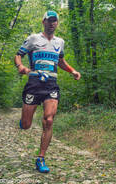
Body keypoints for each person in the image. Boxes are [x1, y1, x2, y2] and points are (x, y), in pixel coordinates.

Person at [14, 10, 81, 173]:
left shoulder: (60, 42)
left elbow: (60, 61)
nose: (52, 23)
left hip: (51, 84)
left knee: (49, 120)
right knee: (27, 125)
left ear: (57, 23)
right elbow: (18, 55)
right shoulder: (33, 39)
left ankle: (41, 158)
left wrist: (72, 70)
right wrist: (20, 66)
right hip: (34, 83)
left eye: (55, 21)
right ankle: (24, 120)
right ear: (43, 21)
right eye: (49, 20)